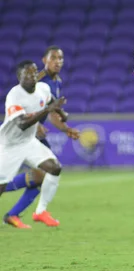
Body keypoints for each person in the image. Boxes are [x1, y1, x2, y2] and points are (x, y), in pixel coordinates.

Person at [2, 46, 78, 228]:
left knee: (53, 168)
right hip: (9, 144)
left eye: (34, 73)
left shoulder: (44, 87)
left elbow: (50, 102)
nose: (32, 77)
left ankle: (39, 211)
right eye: (27, 75)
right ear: (19, 78)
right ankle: (14, 214)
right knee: (3, 184)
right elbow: (22, 123)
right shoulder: (15, 95)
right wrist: (46, 113)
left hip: (29, 142)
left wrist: (62, 115)